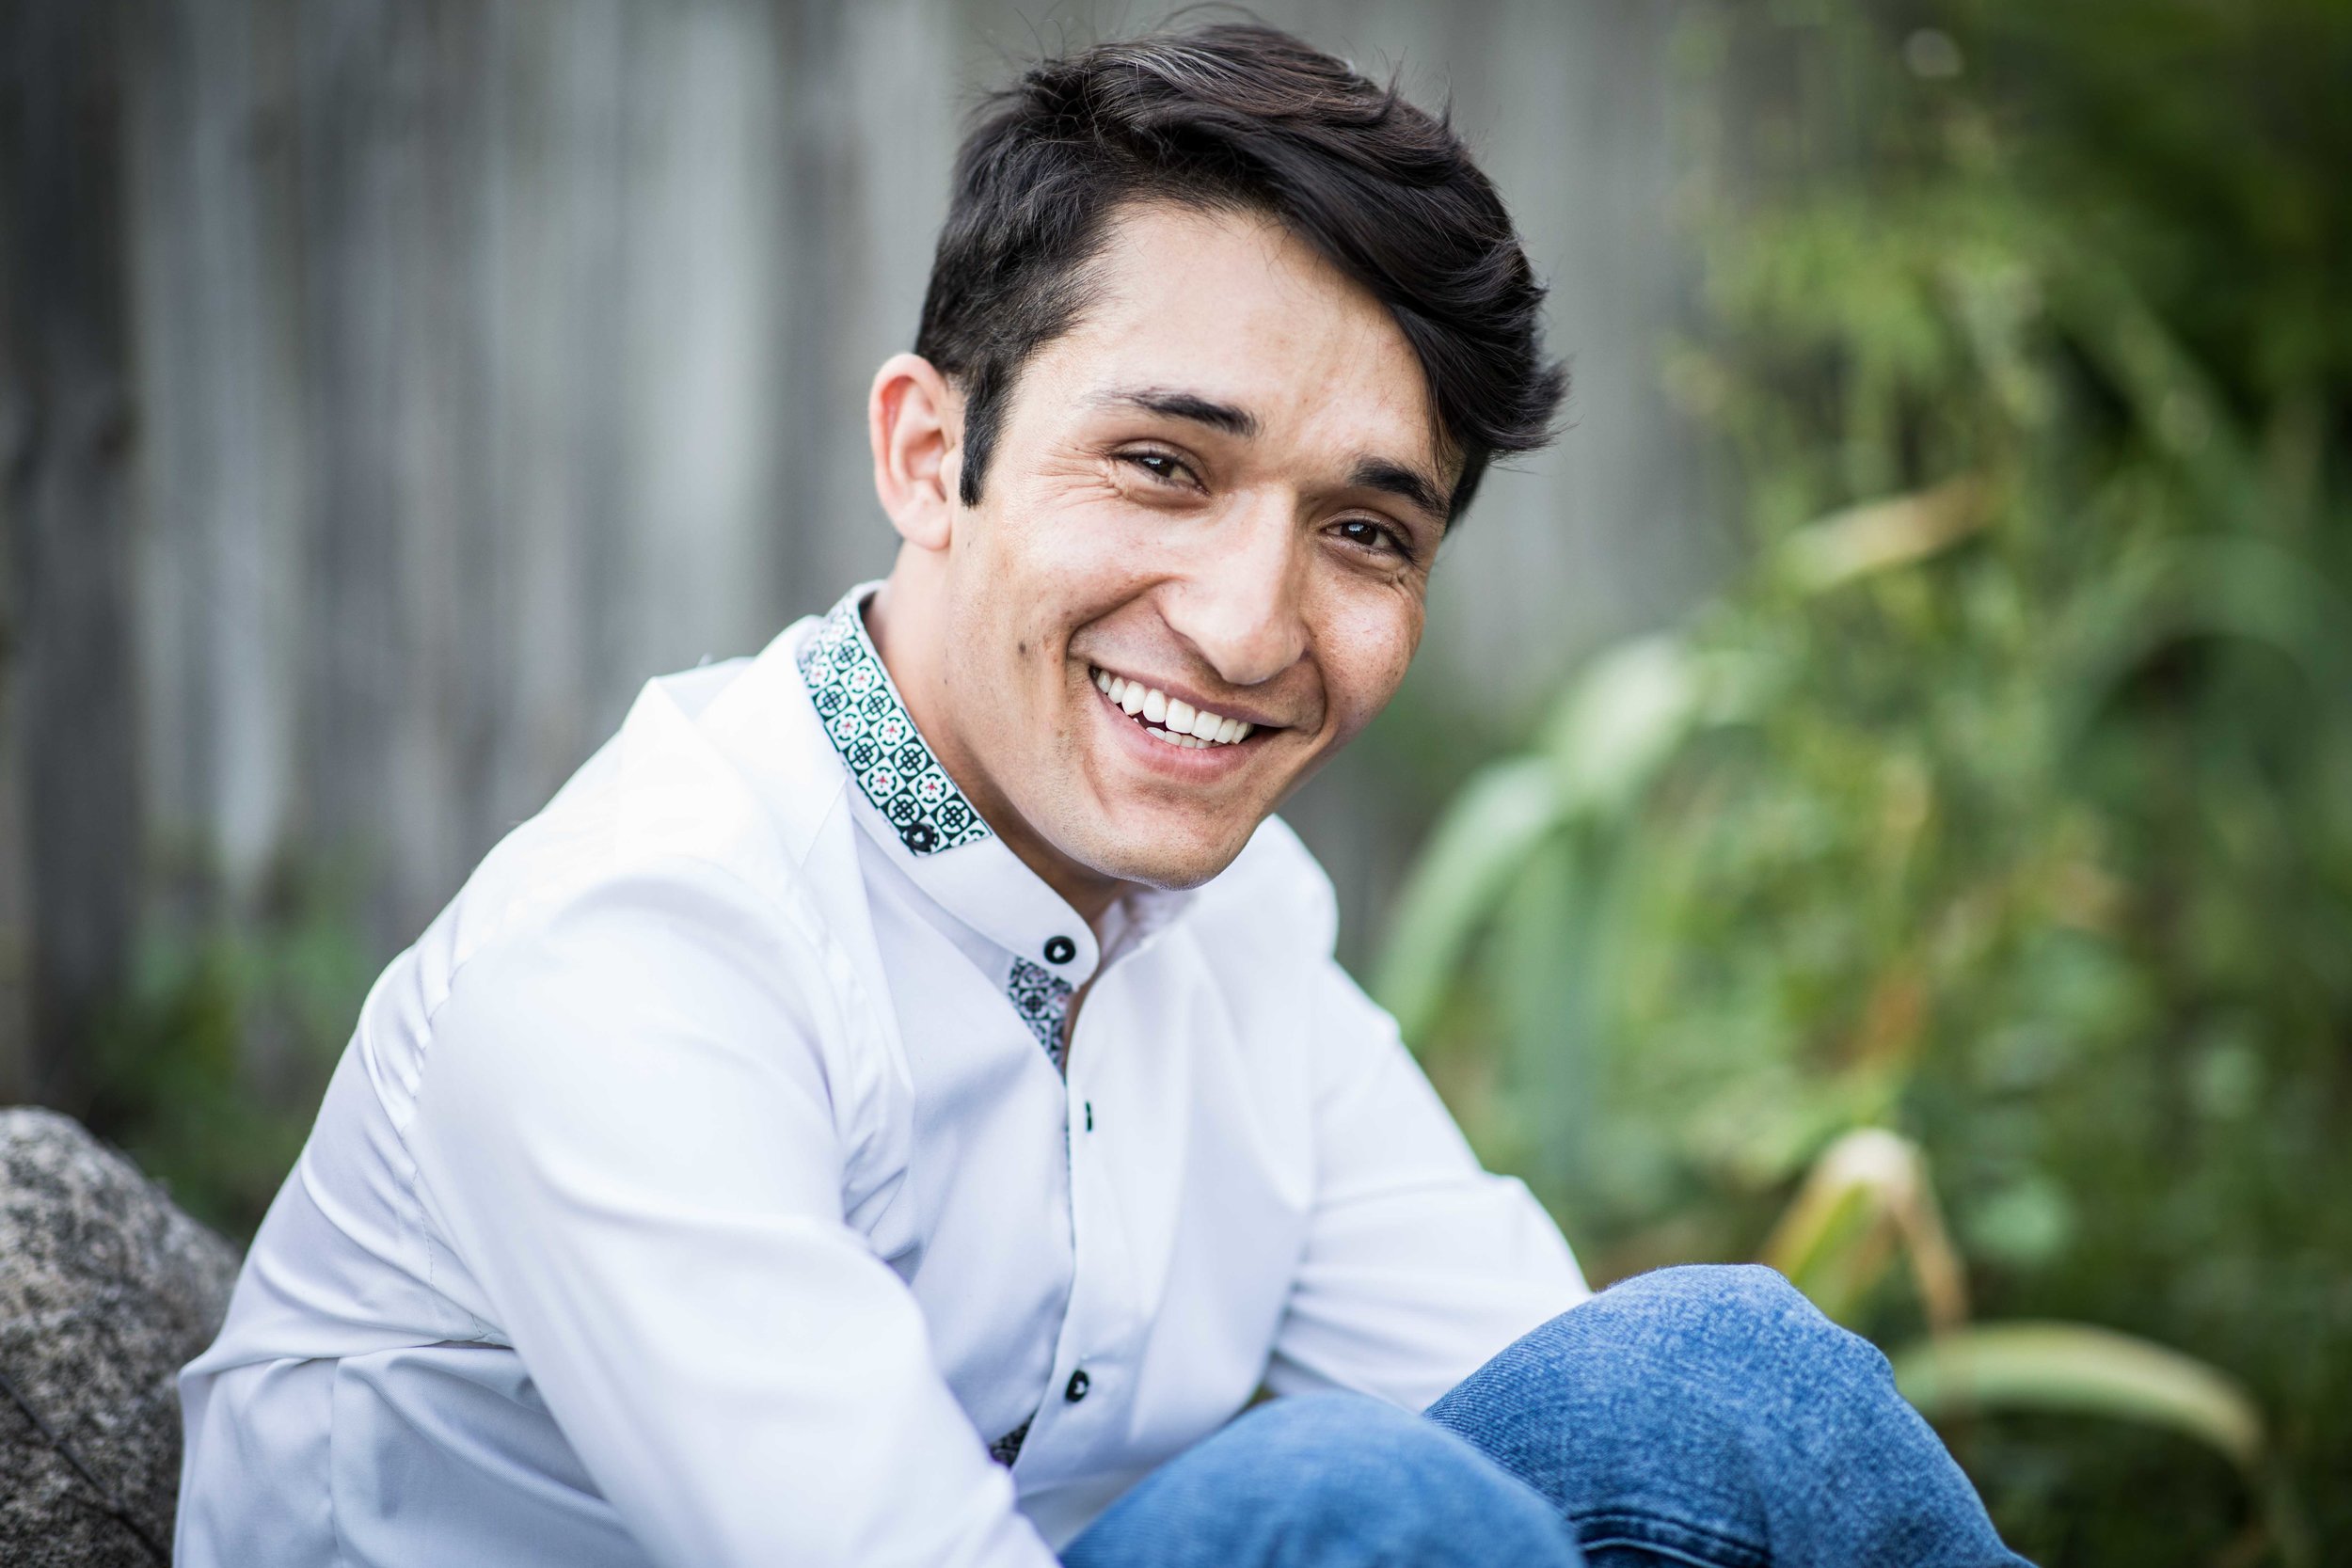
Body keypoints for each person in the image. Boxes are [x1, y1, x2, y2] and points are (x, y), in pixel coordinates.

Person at [175, 24, 2031, 1568]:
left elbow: (1579, 1416)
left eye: (1362, 530)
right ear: (929, 451)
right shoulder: (643, 945)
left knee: (1732, 1373)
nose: (1244, 625)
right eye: (1159, 464)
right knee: (1340, 1507)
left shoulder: (1236, 930)